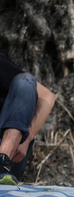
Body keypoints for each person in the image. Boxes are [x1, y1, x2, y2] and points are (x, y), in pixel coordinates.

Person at [0, 53, 56, 185]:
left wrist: (27, 138)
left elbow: (47, 96)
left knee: (25, 82)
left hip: (11, 156)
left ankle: (3, 162)